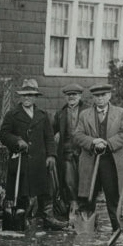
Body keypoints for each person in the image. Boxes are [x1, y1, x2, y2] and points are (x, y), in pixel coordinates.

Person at [0, 79, 67, 230]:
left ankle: (48, 218)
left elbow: (49, 138)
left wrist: (51, 156)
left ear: (35, 97)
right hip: (21, 160)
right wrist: (16, 140)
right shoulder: (12, 115)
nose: (27, 98)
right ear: (20, 97)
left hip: (39, 162)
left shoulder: (42, 115)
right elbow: (3, 134)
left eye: (30, 95)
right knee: (22, 191)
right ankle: (24, 218)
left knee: (45, 190)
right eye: (24, 95)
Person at [73, 82, 123, 236]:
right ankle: (87, 226)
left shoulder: (120, 113)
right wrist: (93, 142)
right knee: (88, 195)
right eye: (96, 96)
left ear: (109, 96)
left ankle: (116, 225)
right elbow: (78, 135)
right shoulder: (84, 115)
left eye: (103, 95)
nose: (99, 99)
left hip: (111, 160)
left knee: (112, 195)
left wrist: (108, 143)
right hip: (90, 160)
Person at [52, 83, 85, 221]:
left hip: (84, 152)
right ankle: (73, 206)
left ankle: (85, 210)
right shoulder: (60, 113)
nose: (72, 97)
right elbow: (52, 131)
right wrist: (56, 134)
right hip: (67, 152)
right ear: (66, 97)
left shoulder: (88, 110)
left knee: (84, 181)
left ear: (80, 96)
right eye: (69, 95)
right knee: (69, 181)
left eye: (74, 95)